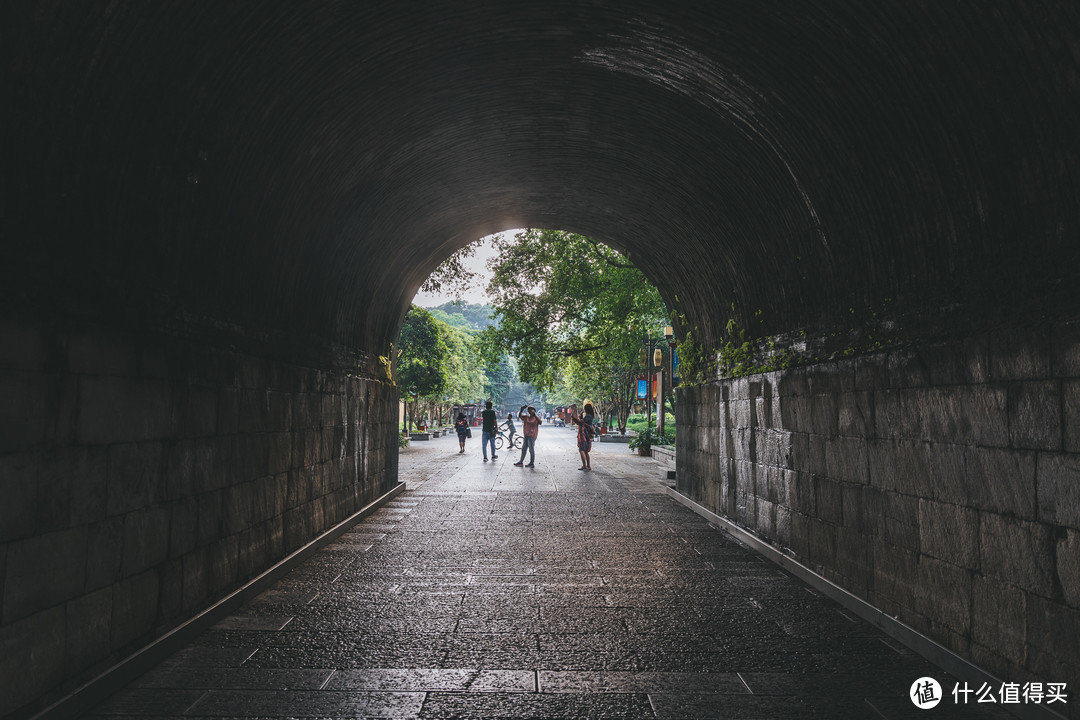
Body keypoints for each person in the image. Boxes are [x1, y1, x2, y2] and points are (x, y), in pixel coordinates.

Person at [573, 402, 596, 470]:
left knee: (581, 450)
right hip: (587, 435)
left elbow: (580, 422)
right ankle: (588, 465)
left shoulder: (588, 416)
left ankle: (584, 465)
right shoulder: (590, 416)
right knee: (585, 451)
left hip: (584, 435)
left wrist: (575, 411)